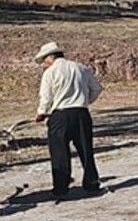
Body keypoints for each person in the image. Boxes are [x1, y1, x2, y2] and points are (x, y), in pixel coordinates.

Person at [34, 42, 103, 198]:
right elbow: (97, 89)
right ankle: (92, 183)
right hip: (81, 113)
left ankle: (61, 188)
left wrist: (41, 113)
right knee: (86, 150)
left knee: (60, 153)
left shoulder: (50, 73)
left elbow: (45, 97)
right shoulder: (82, 68)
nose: (43, 63)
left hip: (60, 115)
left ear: (51, 56)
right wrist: (85, 101)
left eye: (44, 59)